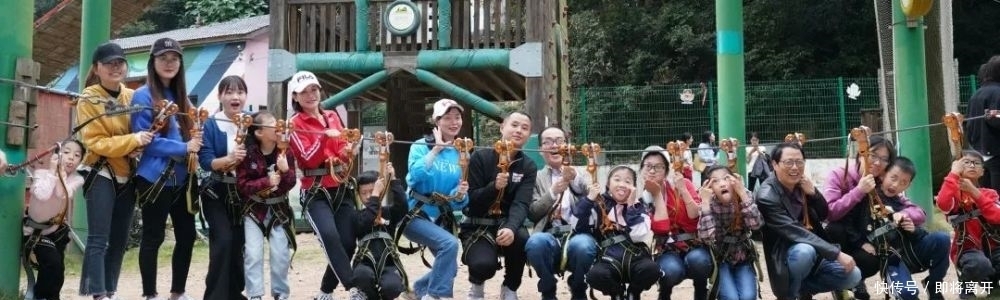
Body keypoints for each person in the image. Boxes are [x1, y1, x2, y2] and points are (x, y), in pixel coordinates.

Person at [77, 42, 153, 300]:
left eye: (119, 62)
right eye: (109, 63)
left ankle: (110, 290)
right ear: (96, 68)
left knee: (120, 240)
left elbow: (143, 130)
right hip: (100, 171)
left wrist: (138, 147)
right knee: (99, 237)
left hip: (127, 173)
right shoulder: (89, 97)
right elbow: (94, 141)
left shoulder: (132, 97)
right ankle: (97, 293)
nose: (115, 67)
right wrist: (133, 141)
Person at [131, 37, 201, 300]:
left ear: (181, 63)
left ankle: (178, 292)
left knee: (187, 235)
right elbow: (145, 139)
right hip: (154, 177)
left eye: (174, 58)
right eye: (163, 58)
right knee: (153, 236)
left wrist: (197, 138)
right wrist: (184, 148)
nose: (169, 63)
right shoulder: (142, 95)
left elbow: (194, 131)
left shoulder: (183, 97)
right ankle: (150, 294)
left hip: (182, 177)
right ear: (153, 62)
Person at [286, 71, 364, 300]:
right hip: (315, 190)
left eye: (314, 89)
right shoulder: (294, 124)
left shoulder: (332, 115)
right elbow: (307, 158)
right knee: (330, 236)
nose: (311, 95)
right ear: (295, 97)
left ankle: (325, 291)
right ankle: (353, 287)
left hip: (340, 184)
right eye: (304, 92)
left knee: (348, 241)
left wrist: (349, 151)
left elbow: (341, 148)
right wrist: (322, 137)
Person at [755, 142, 862, 300]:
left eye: (799, 162)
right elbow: (795, 231)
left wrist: (814, 194)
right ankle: (791, 295)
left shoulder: (802, 185)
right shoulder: (767, 196)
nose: (794, 167)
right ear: (775, 164)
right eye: (788, 162)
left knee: (853, 275)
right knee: (804, 251)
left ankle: (801, 290)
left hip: (815, 255)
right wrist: (836, 253)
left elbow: (824, 214)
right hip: (787, 256)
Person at [463, 111, 537, 300]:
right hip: (478, 223)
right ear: (502, 127)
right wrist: (493, 188)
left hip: (507, 222)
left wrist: (511, 228)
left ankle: (510, 287)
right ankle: (476, 284)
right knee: (482, 265)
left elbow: (521, 202)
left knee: (521, 237)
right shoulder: (480, 157)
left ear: (529, 135)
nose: (519, 130)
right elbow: (471, 198)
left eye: (524, 128)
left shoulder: (528, 166)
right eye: (514, 125)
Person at [822, 135, 906, 299]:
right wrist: (859, 191)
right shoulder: (839, 175)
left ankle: (854, 281)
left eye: (884, 159)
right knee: (835, 229)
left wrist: (905, 215)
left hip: (864, 237)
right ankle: (837, 281)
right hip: (841, 238)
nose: (876, 162)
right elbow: (829, 213)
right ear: (861, 153)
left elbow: (908, 205)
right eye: (873, 155)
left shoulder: (882, 182)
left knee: (873, 258)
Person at [402, 98, 469, 300]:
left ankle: (420, 289)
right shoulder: (420, 146)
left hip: (441, 216)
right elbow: (414, 176)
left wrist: (461, 194)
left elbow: (459, 201)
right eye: (447, 118)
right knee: (449, 245)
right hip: (415, 214)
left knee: (449, 268)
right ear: (436, 121)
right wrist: (436, 149)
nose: (453, 122)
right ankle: (437, 295)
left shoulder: (462, 153)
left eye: (457, 117)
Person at [860, 157, 950, 300]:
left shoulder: (901, 202)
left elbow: (920, 219)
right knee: (908, 294)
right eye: (893, 178)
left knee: (942, 238)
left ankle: (933, 286)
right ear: (883, 175)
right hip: (891, 259)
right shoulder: (868, 198)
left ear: (908, 186)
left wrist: (912, 229)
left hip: (912, 253)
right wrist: (861, 243)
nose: (895, 185)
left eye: (903, 182)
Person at [525, 126, 597, 300]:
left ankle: (579, 287)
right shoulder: (535, 177)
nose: (554, 145)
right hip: (548, 233)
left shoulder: (583, 172)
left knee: (584, 246)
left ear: (567, 145)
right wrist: (552, 192)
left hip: (577, 233)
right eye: (547, 142)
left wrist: (574, 178)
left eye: (559, 141)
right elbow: (533, 213)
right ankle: (548, 289)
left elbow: (594, 197)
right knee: (534, 242)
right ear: (541, 150)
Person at [198, 75, 250, 300]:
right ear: (220, 96)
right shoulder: (210, 124)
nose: (235, 97)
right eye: (229, 92)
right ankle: (214, 296)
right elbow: (206, 160)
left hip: (244, 193)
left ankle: (235, 293)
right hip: (217, 191)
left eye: (239, 92)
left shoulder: (252, 122)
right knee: (223, 241)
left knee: (239, 243)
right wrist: (229, 159)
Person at [236, 111, 298, 300]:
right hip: (254, 209)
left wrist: (286, 171)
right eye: (272, 124)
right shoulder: (248, 153)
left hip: (278, 209)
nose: (278, 126)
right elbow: (242, 186)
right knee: (253, 253)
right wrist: (266, 182)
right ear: (259, 133)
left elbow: (291, 182)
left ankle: (281, 294)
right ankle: (255, 295)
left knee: (280, 255)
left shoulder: (286, 150)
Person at [580, 165, 659, 300]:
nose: (622, 184)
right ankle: (616, 293)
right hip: (608, 258)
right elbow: (580, 225)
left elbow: (638, 235)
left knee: (651, 269)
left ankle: (633, 293)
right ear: (608, 184)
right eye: (617, 180)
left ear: (634, 187)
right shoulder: (599, 205)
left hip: (636, 258)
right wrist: (588, 200)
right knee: (595, 275)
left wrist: (631, 206)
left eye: (628, 182)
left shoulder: (640, 207)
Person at [643, 146, 712, 300]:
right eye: (648, 166)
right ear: (642, 169)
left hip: (692, 242)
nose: (652, 171)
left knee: (699, 262)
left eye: (658, 166)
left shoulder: (684, 183)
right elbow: (661, 229)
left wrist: (683, 190)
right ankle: (665, 293)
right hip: (667, 248)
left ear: (667, 170)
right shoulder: (643, 196)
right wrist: (657, 195)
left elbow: (694, 215)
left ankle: (701, 292)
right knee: (671, 271)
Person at [21, 140, 85, 300]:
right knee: (52, 264)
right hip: (34, 231)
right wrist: (52, 172)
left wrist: (61, 177)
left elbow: (62, 194)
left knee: (58, 273)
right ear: (57, 154)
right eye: (67, 152)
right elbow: (42, 195)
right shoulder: (41, 174)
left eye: (77, 155)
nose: (71, 158)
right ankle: (39, 297)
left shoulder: (77, 179)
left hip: (54, 232)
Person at [936, 150, 1000, 300]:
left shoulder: (990, 193)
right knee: (979, 264)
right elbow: (943, 203)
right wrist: (953, 175)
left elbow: (997, 216)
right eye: (966, 162)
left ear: (982, 171)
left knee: (989, 264)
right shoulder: (953, 193)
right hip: (967, 249)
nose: (971, 165)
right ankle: (967, 289)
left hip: (994, 246)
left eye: (976, 163)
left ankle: (992, 283)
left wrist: (973, 191)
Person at [696, 165, 762, 300]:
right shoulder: (708, 203)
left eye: (726, 178)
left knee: (748, 297)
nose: (721, 184)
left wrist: (742, 193)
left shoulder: (744, 195)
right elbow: (707, 238)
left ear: (734, 181)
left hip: (743, 257)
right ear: (709, 188)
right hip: (721, 259)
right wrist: (706, 204)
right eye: (715, 181)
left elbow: (756, 225)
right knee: (731, 297)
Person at [353, 168, 409, 300]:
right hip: (365, 262)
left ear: (381, 190)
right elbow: (367, 221)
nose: (368, 196)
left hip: (388, 263)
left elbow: (403, 206)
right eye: (364, 193)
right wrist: (375, 194)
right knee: (361, 277)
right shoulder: (358, 216)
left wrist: (393, 179)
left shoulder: (389, 212)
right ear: (358, 195)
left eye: (372, 191)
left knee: (392, 287)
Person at [966, 55, 1000, 190]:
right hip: (996, 152)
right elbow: (995, 119)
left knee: (985, 197)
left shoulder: (976, 94)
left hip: (979, 152)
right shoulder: (997, 92)